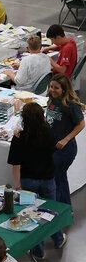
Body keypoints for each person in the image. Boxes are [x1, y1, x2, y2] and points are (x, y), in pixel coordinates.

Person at [8, 102, 66, 259]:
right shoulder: (49, 134)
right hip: (47, 179)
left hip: (28, 181)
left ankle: (38, 251)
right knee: (51, 213)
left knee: (32, 216)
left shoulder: (19, 137)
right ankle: (58, 239)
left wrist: (18, 185)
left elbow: (16, 164)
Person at [46, 73, 85, 205]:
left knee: (58, 177)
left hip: (65, 149)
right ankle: (64, 208)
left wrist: (66, 139)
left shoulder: (72, 105)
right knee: (59, 177)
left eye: (56, 88)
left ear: (64, 89)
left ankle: (62, 208)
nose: (52, 90)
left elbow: (81, 124)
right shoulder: (51, 99)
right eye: (51, 86)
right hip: (52, 146)